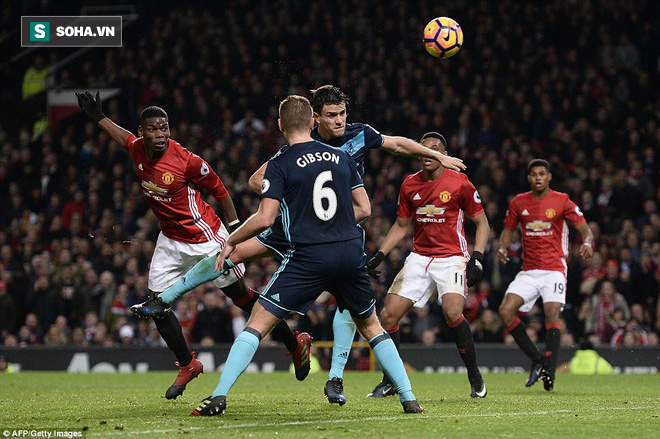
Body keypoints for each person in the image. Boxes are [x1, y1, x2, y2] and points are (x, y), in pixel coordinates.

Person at [144, 85, 465, 405]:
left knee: (335, 307)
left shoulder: (351, 137)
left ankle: (334, 377)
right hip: (301, 229)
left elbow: (396, 147)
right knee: (232, 254)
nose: (339, 121)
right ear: (315, 119)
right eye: (331, 115)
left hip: (330, 233)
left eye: (342, 114)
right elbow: (259, 181)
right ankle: (166, 298)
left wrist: (436, 156)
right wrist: (295, 206)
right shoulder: (323, 151)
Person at [190, 95, 423, 416]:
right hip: (348, 250)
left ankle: (218, 396)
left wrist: (232, 240)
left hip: (310, 254)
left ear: (280, 125)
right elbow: (365, 209)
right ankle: (409, 399)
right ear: (313, 121)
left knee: (258, 321)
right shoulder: (342, 157)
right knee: (371, 326)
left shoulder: (282, 162)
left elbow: (265, 218)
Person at [75, 91, 311, 400]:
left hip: (205, 237)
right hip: (170, 239)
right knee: (158, 305)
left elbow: (220, 189)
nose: (160, 135)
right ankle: (188, 364)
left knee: (242, 299)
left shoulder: (186, 160)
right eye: (153, 129)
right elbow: (123, 138)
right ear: (143, 131)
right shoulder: (136, 149)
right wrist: (98, 117)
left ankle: (295, 344)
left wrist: (233, 228)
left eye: (165, 128)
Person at [366, 132, 489, 399]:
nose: (427, 153)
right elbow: (401, 226)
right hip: (420, 257)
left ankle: (474, 376)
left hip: (452, 257)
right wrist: (380, 254)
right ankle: (390, 379)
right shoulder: (409, 185)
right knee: (387, 316)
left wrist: (477, 257)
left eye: (434, 149)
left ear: (443, 155)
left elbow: (482, 223)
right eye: (423, 149)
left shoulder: (460, 183)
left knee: (452, 313)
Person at [497, 158, 594, 391]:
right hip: (529, 271)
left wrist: (588, 242)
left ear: (549, 177)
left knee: (552, 311)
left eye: (542, 174)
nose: (538, 178)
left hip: (554, 269)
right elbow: (507, 229)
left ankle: (549, 370)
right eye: (534, 174)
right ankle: (537, 359)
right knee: (505, 310)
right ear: (528, 178)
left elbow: (585, 230)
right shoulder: (519, 202)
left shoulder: (562, 201)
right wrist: (502, 247)